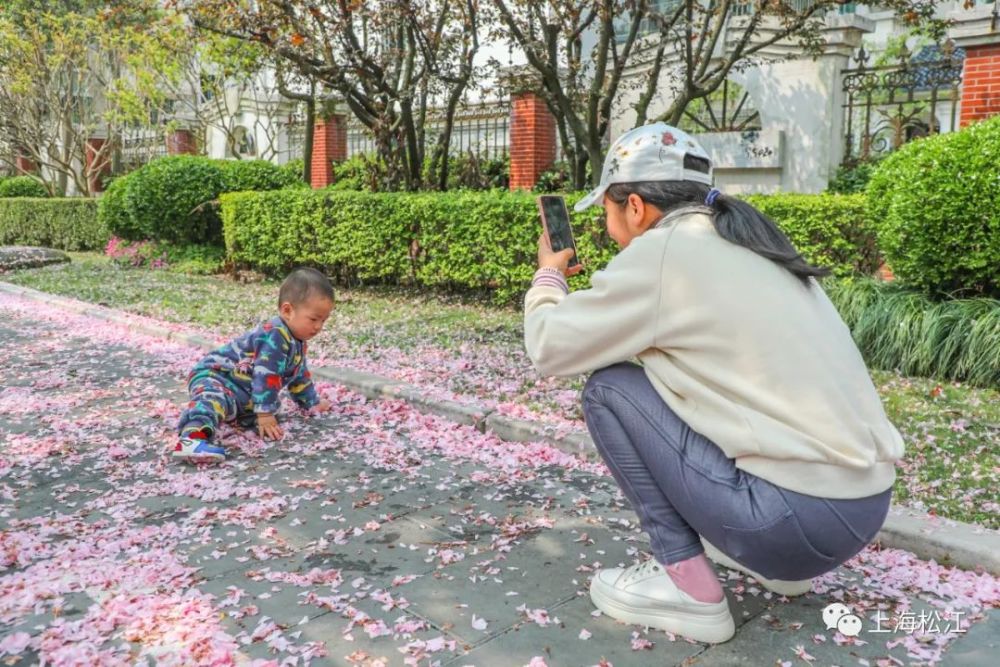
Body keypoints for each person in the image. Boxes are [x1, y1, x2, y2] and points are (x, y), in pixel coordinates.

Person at [523, 123, 902, 644]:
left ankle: (690, 589)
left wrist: (549, 274)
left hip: (791, 523)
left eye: (607, 213)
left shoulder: (665, 252)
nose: (607, 228)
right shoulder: (751, 240)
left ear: (634, 206)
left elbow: (549, 345)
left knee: (609, 388)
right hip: (863, 509)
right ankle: (772, 562)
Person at [173, 267, 335, 462]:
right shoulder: (275, 333)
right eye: (313, 319)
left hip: (242, 390)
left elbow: (298, 374)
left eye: (323, 321)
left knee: (245, 414)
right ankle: (192, 438)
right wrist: (265, 413)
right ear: (287, 310)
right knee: (213, 401)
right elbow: (265, 374)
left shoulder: (297, 340)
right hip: (217, 376)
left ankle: (237, 417)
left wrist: (311, 403)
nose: (318, 327)